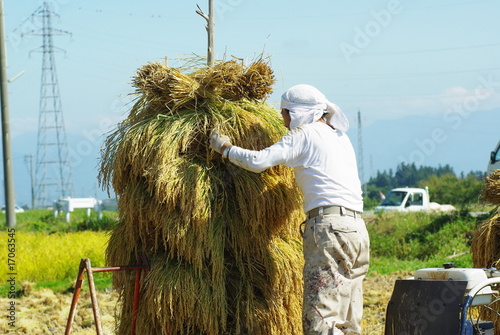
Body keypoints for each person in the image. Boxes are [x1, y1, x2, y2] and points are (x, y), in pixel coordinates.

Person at [209, 84, 370, 335]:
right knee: (349, 322)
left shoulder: (305, 133)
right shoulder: (340, 137)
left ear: (298, 113)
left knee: (321, 318)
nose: (284, 121)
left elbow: (260, 161)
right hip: (357, 231)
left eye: (285, 113)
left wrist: (226, 148)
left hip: (330, 231)